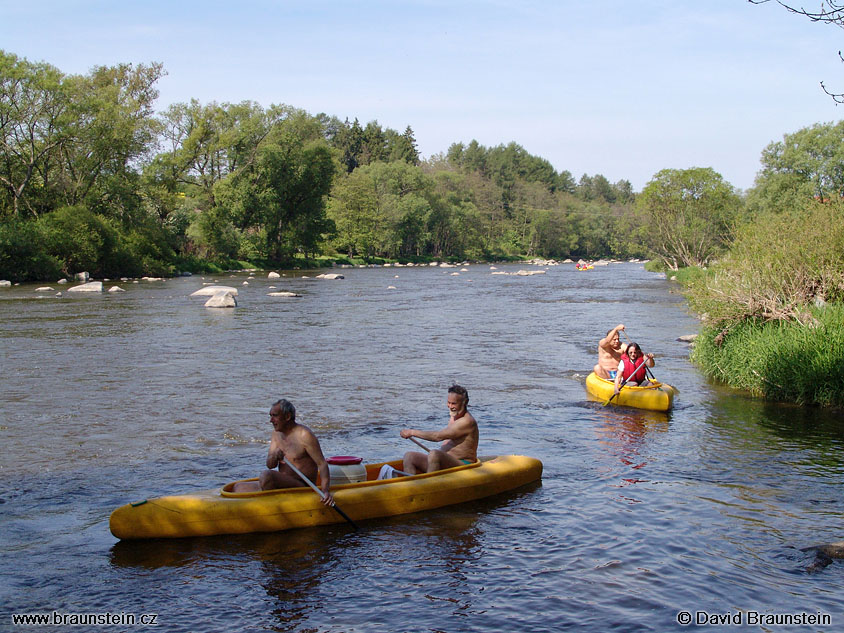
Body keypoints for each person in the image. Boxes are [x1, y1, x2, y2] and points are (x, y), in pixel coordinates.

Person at [232, 399, 334, 506]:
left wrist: (325, 491)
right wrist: (275, 456)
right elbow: (270, 465)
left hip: (302, 486)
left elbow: (322, 464)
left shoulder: (304, 435)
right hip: (282, 483)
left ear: (287, 416)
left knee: (266, 476)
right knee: (238, 487)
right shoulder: (276, 434)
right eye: (270, 416)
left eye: (275, 416)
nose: (271, 420)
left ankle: (270, 508)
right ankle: (266, 503)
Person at [400, 385, 479, 474]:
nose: (450, 406)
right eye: (448, 402)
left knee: (434, 454)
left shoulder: (467, 421)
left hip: (463, 465)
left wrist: (412, 432)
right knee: (409, 456)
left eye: (454, 403)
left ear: (465, 402)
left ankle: (429, 483)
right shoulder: (454, 415)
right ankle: (411, 485)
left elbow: (438, 437)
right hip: (446, 463)